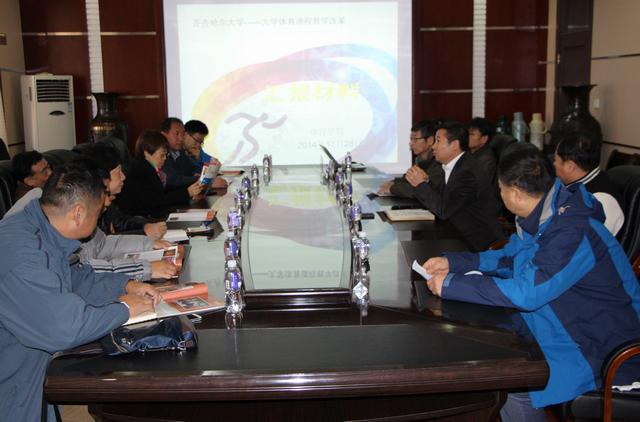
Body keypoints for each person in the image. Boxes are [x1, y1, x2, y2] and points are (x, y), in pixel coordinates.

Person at [422, 149, 640, 421]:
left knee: (512, 377)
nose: (499, 195)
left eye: (500, 189)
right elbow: (510, 257)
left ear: (515, 194)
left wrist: (452, 285)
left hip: (597, 345)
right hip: (563, 318)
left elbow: (527, 294)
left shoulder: (572, 230)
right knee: (486, 341)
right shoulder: (546, 212)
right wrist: (454, 263)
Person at [0, 161, 162, 422]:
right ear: (78, 214)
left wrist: (124, 285)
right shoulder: (23, 255)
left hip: (31, 372)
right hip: (12, 385)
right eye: (97, 214)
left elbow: (73, 278)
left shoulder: (42, 229)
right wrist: (124, 308)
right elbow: (63, 328)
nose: (97, 222)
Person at [7, 152, 177, 281]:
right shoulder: (49, 222)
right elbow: (82, 270)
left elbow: (101, 244)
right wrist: (143, 268)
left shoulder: (62, 206)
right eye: (103, 195)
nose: (107, 202)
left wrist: (148, 243)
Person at [406, 121, 503, 251]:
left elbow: (444, 211)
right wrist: (426, 183)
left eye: (438, 141)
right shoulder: (456, 166)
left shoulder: (467, 173)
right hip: (455, 232)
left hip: (475, 243)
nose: (433, 146)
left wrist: (420, 185)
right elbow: (442, 199)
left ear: (455, 145)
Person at [117, 130, 205, 218]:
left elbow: (166, 190)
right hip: (139, 218)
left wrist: (188, 190)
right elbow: (155, 200)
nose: (164, 158)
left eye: (166, 154)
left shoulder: (151, 168)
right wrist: (186, 192)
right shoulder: (138, 170)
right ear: (147, 153)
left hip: (153, 214)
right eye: (162, 154)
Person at [554, 131, 624, 235]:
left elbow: (588, 241)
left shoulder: (601, 201)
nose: (554, 164)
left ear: (570, 167)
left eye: (556, 160)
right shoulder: (573, 187)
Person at [377, 119, 444, 197]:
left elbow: (421, 190)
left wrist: (392, 188)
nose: (411, 143)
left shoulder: (439, 163)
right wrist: (393, 182)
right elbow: (407, 179)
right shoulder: (421, 160)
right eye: (411, 139)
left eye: (415, 139)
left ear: (430, 140)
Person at [160, 117, 227, 189]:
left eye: (182, 134)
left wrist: (200, 175)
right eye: (176, 134)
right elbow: (173, 180)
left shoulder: (180, 152)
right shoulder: (161, 155)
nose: (181, 138)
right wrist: (204, 181)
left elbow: (193, 168)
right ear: (163, 135)